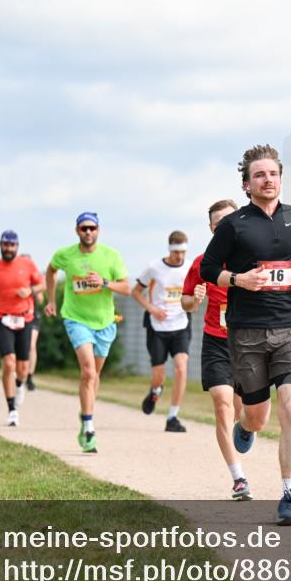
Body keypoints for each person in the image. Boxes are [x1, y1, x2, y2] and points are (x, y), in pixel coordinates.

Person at [201, 144, 291, 525]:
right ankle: (245, 427)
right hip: (247, 331)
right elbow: (208, 268)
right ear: (246, 184)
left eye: (273, 174)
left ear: (281, 178)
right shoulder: (235, 224)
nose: (267, 180)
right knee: (257, 418)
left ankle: (289, 496)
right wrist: (237, 279)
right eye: (259, 175)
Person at [182, 199, 251, 500]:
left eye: (229, 221)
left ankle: (248, 427)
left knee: (243, 412)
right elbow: (185, 303)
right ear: (211, 230)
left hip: (248, 342)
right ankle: (238, 479)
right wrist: (195, 299)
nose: (224, 228)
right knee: (222, 405)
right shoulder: (202, 263)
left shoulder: (252, 258)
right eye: (217, 224)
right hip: (216, 342)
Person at [45, 212, 131, 453]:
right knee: (88, 371)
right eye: (84, 228)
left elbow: (126, 288)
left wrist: (103, 282)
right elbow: (50, 271)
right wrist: (51, 300)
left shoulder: (111, 256)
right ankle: (89, 426)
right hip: (75, 319)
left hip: (104, 322)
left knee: (94, 376)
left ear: (98, 230)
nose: (88, 232)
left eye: (92, 228)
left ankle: (86, 410)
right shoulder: (66, 255)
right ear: (77, 231)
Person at [0, 231, 44, 427]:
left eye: (12, 245)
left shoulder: (27, 265)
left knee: (22, 368)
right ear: (0, 245)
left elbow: (42, 285)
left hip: (24, 318)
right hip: (1, 317)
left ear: (17, 246)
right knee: (8, 363)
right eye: (5, 245)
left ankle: (20, 384)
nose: (9, 248)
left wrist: (30, 291)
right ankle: (12, 409)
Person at [133, 230, 191, 433]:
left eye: (183, 253)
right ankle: (155, 391)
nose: (180, 257)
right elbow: (136, 292)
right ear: (170, 249)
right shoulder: (154, 268)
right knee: (159, 374)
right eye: (177, 253)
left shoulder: (188, 269)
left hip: (180, 324)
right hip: (157, 327)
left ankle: (172, 417)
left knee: (181, 366)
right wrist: (152, 309)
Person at [21, 254, 44, 392]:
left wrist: (32, 290)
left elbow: (41, 299)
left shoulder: (35, 279)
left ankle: (30, 377)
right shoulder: (15, 277)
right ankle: (19, 372)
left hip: (32, 315)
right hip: (17, 315)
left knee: (31, 345)